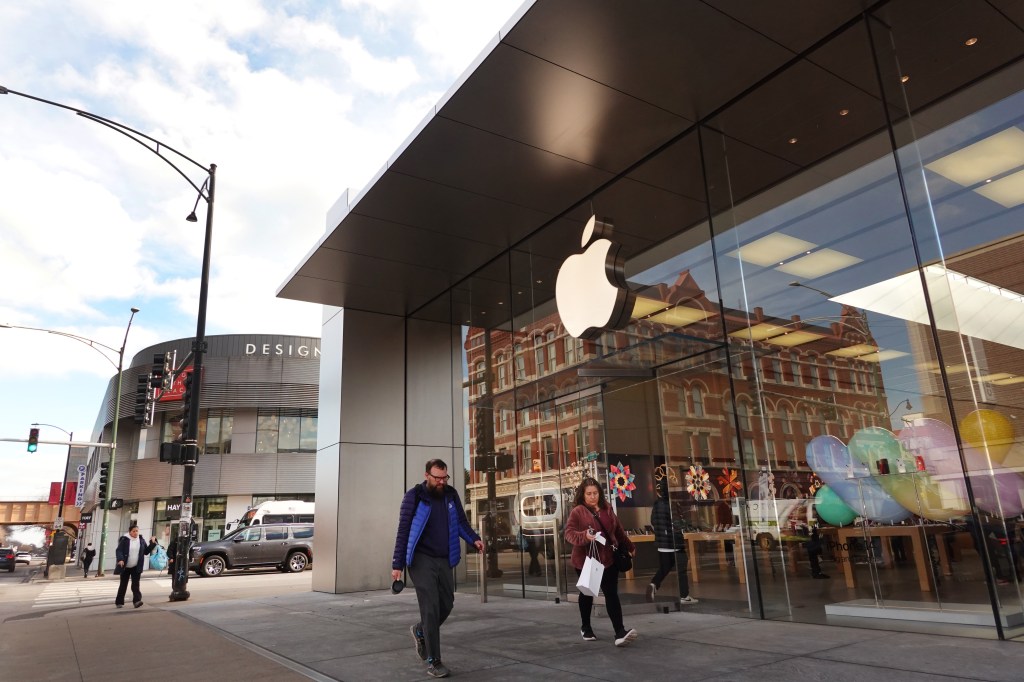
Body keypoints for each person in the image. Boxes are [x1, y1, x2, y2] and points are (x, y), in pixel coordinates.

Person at [392, 459, 483, 679]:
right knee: (431, 607)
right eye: (437, 478)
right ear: (427, 476)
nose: (441, 482)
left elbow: (461, 522)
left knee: (447, 603)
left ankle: (421, 630)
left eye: (444, 478)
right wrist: (397, 565)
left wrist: (474, 539)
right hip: (421, 560)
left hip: (444, 558)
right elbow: (403, 531)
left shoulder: (450, 495)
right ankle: (434, 661)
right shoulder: (414, 497)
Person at [564, 477, 638, 647]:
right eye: (589, 494)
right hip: (587, 561)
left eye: (595, 493)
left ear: (600, 493)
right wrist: (585, 536)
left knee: (611, 594)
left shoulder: (607, 509)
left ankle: (620, 632)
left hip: (608, 559)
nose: (592, 496)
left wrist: (630, 546)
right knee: (588, 593)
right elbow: (569, 533)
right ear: (582, 495)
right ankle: (586, 627)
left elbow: (618, 531)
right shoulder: (578, 511)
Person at [646, 482, 698, 605]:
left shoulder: (656, 505)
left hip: (662, 544)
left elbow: (653, 521)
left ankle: (654, 583)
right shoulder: (672, 505)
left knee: (665, 567)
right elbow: (677, 523)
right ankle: (684, 595)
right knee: (682, 570)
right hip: (674, 543)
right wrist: (686, 523)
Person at [114, 524, 157, 609]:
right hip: (125, 566)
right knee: (123, 584)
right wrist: (120, 559)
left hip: (136, 566)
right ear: (130, 532)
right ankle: (119, 602)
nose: (135, 533)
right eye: (133, 531)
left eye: (137, 531)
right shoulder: (124, 539)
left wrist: (152, 543)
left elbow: (146, 551)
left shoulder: (141, 540)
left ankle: (137, 601)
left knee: (135, 585)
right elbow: (119, 550)